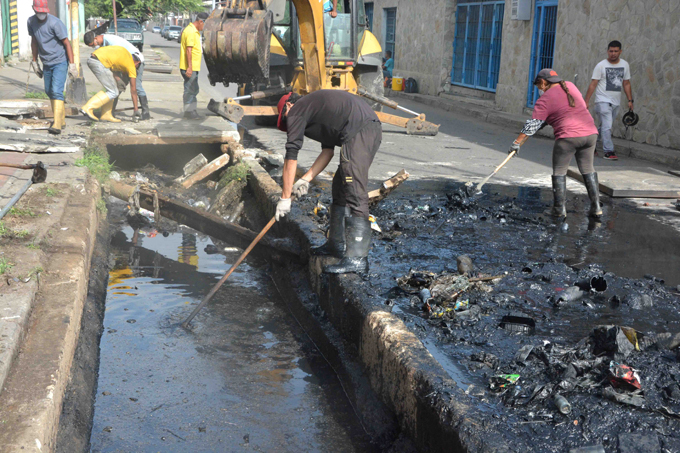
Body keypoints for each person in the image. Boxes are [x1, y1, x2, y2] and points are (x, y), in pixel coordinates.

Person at [275, 90, 382, 274]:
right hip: (365, 127)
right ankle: (336, 245)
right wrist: (305, 180)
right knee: (339, 186)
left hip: (360, 130)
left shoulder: (297, 109)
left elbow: (291, 155)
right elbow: (327, 152)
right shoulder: (316, 110)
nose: (289, 124)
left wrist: (285, 198)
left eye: (285, 119)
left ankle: (357, 258)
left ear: (288, 106)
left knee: (354, 188)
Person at [510, 69, 601, 219]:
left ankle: (559, 209)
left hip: (568, 137)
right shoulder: (570, 86)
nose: (539, 89)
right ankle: (596, 207)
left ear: (544, 82)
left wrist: (516, 143)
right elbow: (565, 110)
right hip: (590, 134)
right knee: (588, 169)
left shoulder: (544, 99)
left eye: (539, 86)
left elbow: (533, 124)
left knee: (559, 171)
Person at [27, 0, 77, 135]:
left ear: (46, 10)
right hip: (46, 62)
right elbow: (34, 42)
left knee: (56, 91)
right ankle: (61, 119)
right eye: (39, 12)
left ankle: (57, 124)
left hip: (60, 61)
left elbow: (67, 43)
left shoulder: (55, 23)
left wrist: (72, 65)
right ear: (34, 9)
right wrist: (34, 61)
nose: (41, 14)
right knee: (49, 91)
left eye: (43, 12)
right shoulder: (31, 22)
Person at [584, 40, 634, 161]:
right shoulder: (601, 65)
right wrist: (586, 100)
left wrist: (630, 100)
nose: (613, 53)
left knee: (604, 127)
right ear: (607, 51)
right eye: (611, 51)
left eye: (616, 51)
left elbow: (626, 83)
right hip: (602, 100)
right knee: (607, 126)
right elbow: (593, 84)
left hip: (615, 102)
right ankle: (608, 151)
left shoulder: (625, 65)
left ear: (620, 51)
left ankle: (591, 145)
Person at [84, 32, 150, 120]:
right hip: (123, 63)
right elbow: (112, 64)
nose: (93, 47)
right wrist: (118, 79)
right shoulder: (104, 43)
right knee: (115, 86)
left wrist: (135, 109)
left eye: (93, 45)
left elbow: (133, 90)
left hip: (136, 61)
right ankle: (109, 112)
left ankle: (145, 112)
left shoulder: (112, 42)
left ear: (96, 38)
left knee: (136, 86)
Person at [80, 46, 140, 122]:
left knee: (111, 89)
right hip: (98, 62)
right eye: (137, 66)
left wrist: (118, 79)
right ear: (137, 62)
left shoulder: (124, 54)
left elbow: (112, 69)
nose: (136, 68)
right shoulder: (131, 65)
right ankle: (88, 108)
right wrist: (136, 109)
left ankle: (106, 115)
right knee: (113, 92)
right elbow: (133, 90)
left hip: (95, 58)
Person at [180, 12, 209, 119]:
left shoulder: (194, 31)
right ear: (200, 21)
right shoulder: (191, 31)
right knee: (190, 90)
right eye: (205, 25)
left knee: (193, 89)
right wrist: (190, 68)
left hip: (193, 67)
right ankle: (189, 112)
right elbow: (189, 50)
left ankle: (191, 111)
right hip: (189, 67)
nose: (205, 28)